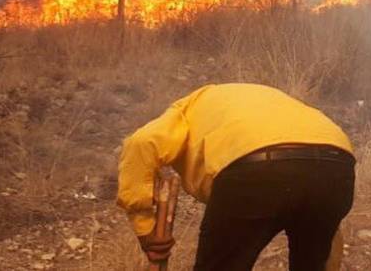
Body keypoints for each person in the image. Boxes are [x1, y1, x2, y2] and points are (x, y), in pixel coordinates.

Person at [116, 83, 355, 271]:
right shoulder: (271, 102)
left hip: (257, 170)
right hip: (337, 164)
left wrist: (145, 228)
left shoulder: (187, 108)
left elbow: (142, 143)